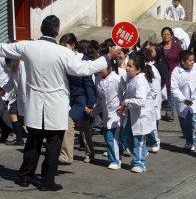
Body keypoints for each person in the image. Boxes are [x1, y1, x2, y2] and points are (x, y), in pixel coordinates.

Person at [0, 15, 119, 191]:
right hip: (55, 104)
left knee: (33, 142)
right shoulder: (63, 52)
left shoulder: (27, 46)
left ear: (41, 29)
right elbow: (83, 69)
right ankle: (47, 181)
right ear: (56, 31)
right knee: (53, 144)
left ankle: (24, 177)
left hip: (35, 103)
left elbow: (3, 48)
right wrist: (107, 57)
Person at [58, 33, 97, 165]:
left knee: (69, 123)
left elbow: (89, 83)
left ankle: (66, 155)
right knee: (84, 128)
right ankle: (90, 154)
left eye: (65, 46)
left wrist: (90, 104)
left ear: (73, 45)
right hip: (69, 97)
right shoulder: (64, 59)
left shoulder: (83, 60)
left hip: (82, 98)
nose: (62, 48)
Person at [119, 53, 156, 173]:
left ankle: (140, 164)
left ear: (138, 69)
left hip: (141, 116)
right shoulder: (131, 79)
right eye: (127, 65)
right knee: (126, 136)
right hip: (132, 114)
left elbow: (140, 101)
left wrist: (125, 102)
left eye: (130, 66)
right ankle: (141, 154)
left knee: (138, 140)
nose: (127, 68)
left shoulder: (140, 81)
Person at [95, 43, 126, 170]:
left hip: (118, 113)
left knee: (113, 137)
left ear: (110, 68)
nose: (99, 71)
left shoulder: (118, 78)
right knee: (110, 137)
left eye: (102, 69)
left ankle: (115, 160)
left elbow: (127, 93)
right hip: (106, 113)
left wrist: (123, 105)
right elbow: (98, 97)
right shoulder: (98, 78)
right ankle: (115, 159)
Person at [170, 50, 196, 151]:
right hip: (182, 102)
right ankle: (188, 139)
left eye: (193, 60)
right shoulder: (176, 71)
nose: (192, 62)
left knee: (191, 120)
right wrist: (183, 99)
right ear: (183, 61)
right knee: (184, 123)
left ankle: (191, 140)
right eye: (190, 60)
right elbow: (174, 88)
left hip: (194, 99)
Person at [160, 27, 182, 121]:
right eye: (164, 34)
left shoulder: (177, 46)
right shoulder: (159, 46)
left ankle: (169, 112)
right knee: (163, 91)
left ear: (172, 36)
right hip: (162, 72)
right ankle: (162, 108)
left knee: (172, 91)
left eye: (168, 34)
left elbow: (182, 57)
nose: (166, 36)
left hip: (174, 72)